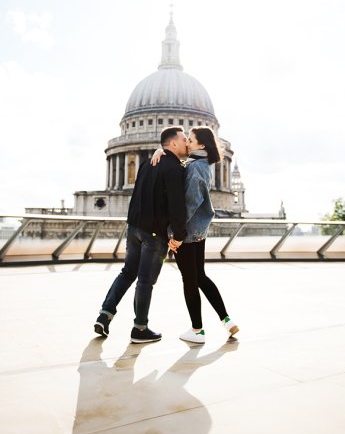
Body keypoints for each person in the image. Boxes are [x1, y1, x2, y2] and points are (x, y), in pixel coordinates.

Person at [94, 127, 188, 343]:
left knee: (127, 273)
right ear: (173, 143)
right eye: (184, 139)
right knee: (145, 281)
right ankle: (140, 329)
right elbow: (176, 206)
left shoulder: (148, 163)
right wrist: (179, 235)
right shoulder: (174, 169)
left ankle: (104, 315)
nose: (186, 143)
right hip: (155, 233)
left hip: (135, 227)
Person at [151, 127, 239, 344]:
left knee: (189, 280)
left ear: (201, 145)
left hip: (187, 232)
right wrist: (159, 151)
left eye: (190, 140)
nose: (187, 143)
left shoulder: (195, 167)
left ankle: (197, 330)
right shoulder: (201, 164)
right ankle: (226, 319)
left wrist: (176, 234)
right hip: (199, 231)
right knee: (200, 276)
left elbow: (189, 204)